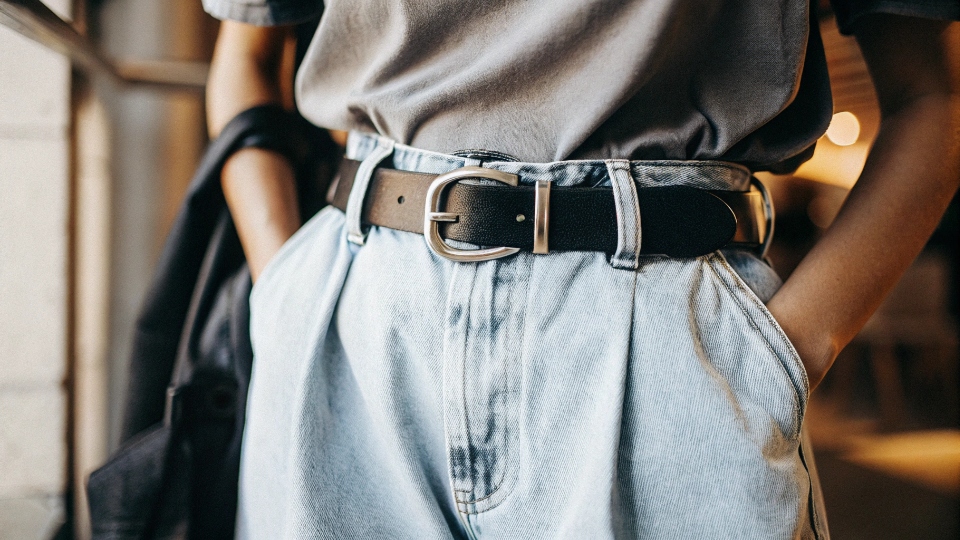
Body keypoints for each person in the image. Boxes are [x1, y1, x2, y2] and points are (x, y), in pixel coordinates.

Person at [202, 0, 960, 537]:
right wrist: (284, 287)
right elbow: (243, 58)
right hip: (359, 318)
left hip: (658, 330)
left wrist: (780, 356)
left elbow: (932, 98)